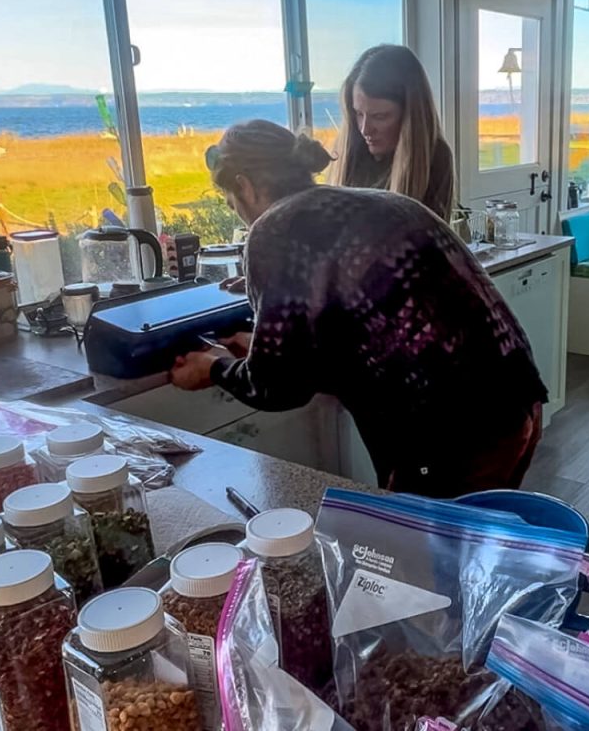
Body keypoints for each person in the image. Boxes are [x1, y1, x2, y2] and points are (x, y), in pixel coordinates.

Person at [171, 120, 545, 498]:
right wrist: (265, 344)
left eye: (233, 202)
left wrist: (214, 368)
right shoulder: (374, 202)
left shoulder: (276, 227)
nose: (240, 213)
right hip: (516, 395)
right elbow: (363, 328)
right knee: (472, 544)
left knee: (417, 550)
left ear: (244, 185)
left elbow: (276, 389)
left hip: (454, 429)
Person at [331, 44, 456, 222]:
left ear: (410, 117)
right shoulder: (351, 148)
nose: (365, 129)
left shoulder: (436, 157)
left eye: (380, 116)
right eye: (358, 114)